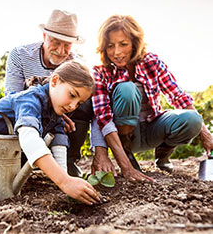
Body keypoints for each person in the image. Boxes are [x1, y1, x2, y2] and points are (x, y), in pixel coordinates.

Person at [91, 14, 213, 182]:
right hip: (125, 137)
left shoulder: (151, 61)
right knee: (127, 89)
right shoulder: (100, 72)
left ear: (134, 43)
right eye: (111, 46)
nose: (117, 52)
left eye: (123, 44)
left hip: (153, 128)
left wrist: (205, 134)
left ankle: (163, 154)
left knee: (193, 119)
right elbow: (102, 118)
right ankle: (129, 157)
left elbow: (177, 96)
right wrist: (125, 167)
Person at [0, 61, 100, 205]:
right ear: (54, 81)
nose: (73, 106)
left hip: (5, 152)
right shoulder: (30, 99)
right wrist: (64, 182)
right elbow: (29, 138)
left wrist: (63, 177)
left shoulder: (55, 112)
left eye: (79, 103)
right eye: (72, 95)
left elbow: (59, 143)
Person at [4, 9, 93, 177]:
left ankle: (68, 159)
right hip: (26, 115)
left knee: (84, 96)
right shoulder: (20, 55)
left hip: (60, 118)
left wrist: (61, 112)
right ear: (44, 37)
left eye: (67, 45)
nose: (60, 50)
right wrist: (53, 114)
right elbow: (13, 97)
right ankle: (22, 157)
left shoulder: (76, 65)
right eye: (55, 42)